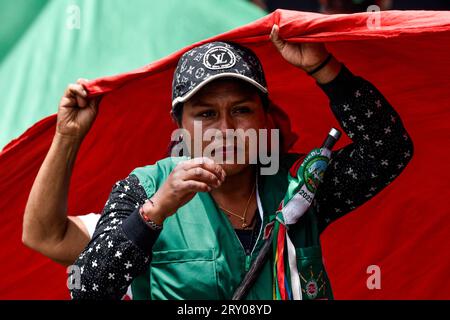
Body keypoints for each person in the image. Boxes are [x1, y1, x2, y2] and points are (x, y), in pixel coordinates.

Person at [25, 24, 413, 300]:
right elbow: (88, 288)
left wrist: (324, 70)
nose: (225, 129)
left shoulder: (301, 187)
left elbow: (388, 149)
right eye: (206, 114)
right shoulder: (143, 190)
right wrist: (156, 213)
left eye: (241, 110)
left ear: (265, 116)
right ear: (180, 125)